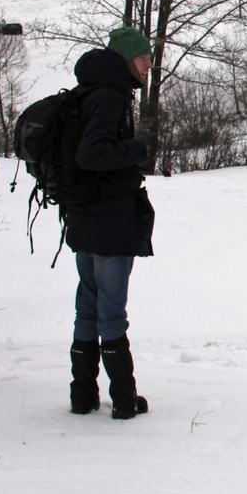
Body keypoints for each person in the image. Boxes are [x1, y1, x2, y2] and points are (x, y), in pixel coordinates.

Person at [62, 26, 155, 420]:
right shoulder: (110, 97)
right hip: (109, 218)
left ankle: (82, 395)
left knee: (88, 307)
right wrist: (136, 148)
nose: (148, 65)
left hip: (84, 215)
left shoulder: (88, 92)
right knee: (111, 309)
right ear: (126, 59)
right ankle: (123, 398)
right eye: (143, 57)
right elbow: (91, 154)